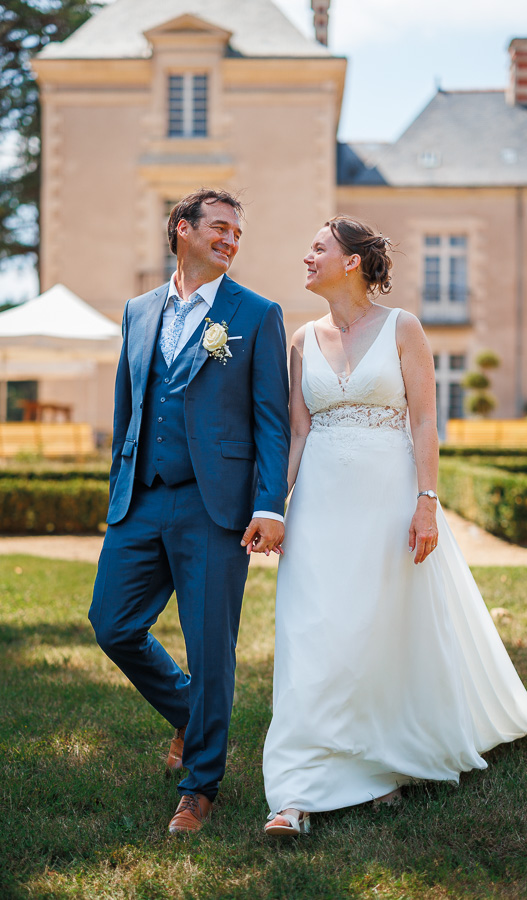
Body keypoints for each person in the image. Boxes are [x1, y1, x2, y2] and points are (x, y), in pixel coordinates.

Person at [262, 215, 527, 838]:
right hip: (319, 504)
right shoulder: (301, 338)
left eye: (318, 248)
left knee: (379, 629)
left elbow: (425, 422)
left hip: (388, 498)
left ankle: (382, 761)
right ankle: (293, 791)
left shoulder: (403, 327)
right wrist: (273, 506)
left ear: (351, 261)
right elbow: (298, 431)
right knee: (310, 632)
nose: (307, 257)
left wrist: (427, 501)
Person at [89, 188, 290, 835]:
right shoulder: (138, 310)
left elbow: (272, 422)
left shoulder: (256, 314)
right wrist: (119, 486)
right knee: (112, 624)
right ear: (182, 228)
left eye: (238, 233)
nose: (231, 240)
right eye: (220, 227)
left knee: (210, 648)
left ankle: (200, 787)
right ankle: (189, 713)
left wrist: (270, 503)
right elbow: (128, 403)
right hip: (141, 497)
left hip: (215, 505)